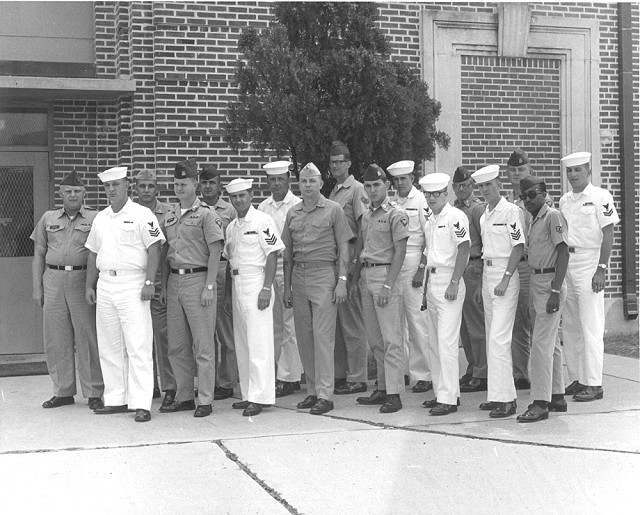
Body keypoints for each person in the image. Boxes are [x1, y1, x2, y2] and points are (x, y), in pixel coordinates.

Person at [85, 166, 165, 423]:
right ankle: (116, 398)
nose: (111, 190)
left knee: (138, 345)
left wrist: (150, 281)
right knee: (109, 345)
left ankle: (141, 403)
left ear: (126, 186)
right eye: (108, 186)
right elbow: (93, 253)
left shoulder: (143, 214)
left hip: (134, 283)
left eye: (116, 185)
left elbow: (155, 249)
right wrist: (90, 285)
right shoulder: (101, 218)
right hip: (106, 284)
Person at [282, 162, 353, 415]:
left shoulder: (334, 210)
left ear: (322, 183)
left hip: (324, 275)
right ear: (298, 185)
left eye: (312, 181)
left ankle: (325, 394)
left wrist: (342, 281)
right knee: (304, 336)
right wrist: (288, 287)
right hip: (299, 276)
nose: (308, 185)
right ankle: (311, 391)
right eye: (303, 181)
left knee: (323, 337)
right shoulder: (293, 213)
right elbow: (287, 253)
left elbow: (345, 246)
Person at [31, 171, 104, 410]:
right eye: (68, 191)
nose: (73, 195)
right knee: (56, 337)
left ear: (84, 193)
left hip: (82, 279)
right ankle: (63, 391)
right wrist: (37, 287)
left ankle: (94, 390)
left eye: (77, 191)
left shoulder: (95, 218)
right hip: (53, 279)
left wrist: (93, 285)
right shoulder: (48, 218)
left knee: (87, 336)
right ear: (60, 194)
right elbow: (39, 253)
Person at [159, 158, 224, 418]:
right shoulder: (170, 215)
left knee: (203, 344)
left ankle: (205, 399)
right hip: (175, 281)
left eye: (184, 183)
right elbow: (166, 253)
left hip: (199, 281)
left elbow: (216, 252)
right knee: (176, 344)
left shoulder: (208, 215)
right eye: (175, 184)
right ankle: (185, 395)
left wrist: (209, 285)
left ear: (195, 183)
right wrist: (164, 286)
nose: (179, 188)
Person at [559, 151, 619, 402]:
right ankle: (577, 378)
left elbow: (608, 235)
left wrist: (601, 269)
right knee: (570, 326)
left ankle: (594, 383)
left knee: (591, 326)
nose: (573, 175)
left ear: (588, 171)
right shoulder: (564, 201)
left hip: (589, 262)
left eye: (578, 170)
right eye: (569, 171)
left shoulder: (600, 197)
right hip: (569, 263)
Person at [224, 178, 284, 416]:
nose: (238, 200)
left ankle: (261, 396)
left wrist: (267, 288)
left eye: (243, 195)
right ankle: (249, 393)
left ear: (250, 195)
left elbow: (272, 254)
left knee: (259, 341)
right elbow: (230, 261)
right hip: (237, 282)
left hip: (257, 281)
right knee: (243, 342)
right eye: (234, 197)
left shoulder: (262, 220)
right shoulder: (231, 227)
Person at [353, 164, 409, 414]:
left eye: (377, 185)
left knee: (392, 339)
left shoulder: (396, 213)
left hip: (386, 275)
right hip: (366, 275)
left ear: (386, 185)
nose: (372, 190)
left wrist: (388, 284)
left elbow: (401, 252)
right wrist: (355, 280)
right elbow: (360, 249)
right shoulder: (366, 215)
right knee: (375, 339)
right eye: (368, 186)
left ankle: (395, 394)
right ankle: (383, 387)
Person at [471, 164, 525, 418]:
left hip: (505, 274)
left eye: (488, 185)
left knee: (499, 340)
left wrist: (505, 278)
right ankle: (497, 395)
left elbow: (518, 247)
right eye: (481, 187)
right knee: (492, 336)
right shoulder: (484, 215)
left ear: (498, 185)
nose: (485, 190)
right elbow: (485, 251)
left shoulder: (511, 211)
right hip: (488, 275)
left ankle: (508, 400)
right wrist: (484, 281)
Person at [516, 176, 569, 422]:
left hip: (549, 284)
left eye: (532, 194)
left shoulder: (552, 216)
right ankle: (557, 395)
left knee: (539, 345)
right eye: (523, 196)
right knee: (551, 345)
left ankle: (539, 402)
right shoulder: (534, 220)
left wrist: (556, 290)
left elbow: (563, 253)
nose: (527, 200)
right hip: (537, 281)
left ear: (544, 193)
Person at [419, 172, 470, 416]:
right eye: (427, 194)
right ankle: (443, 393)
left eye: (436, 194)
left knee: (447, 343)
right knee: (434, 343)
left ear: (445, 194)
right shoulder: (430, 220)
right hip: (433, 282)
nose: (431, 198)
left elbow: (464, 249)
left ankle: (449, 399)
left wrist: (454, 281)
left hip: (450, 281)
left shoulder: (455, 217)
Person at [258, 160, 304, 398]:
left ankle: (290, 377)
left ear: (288, 180)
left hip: (290, 271)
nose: (276, 184)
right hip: (269, 271)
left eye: (280, 179)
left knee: (290, 326)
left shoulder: (297, 205)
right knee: (274, 326)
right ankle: (279, 374)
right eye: (272, 180)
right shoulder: (263, 208)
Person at [387, 160, 432, 394]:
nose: (399, 183)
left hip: (414, 258)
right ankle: (401, 371)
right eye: (396, 179)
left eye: (403, 178)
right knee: (397, 322)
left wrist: (422, 268)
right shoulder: (392, 203)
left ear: (412, 179)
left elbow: (429, 235)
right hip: (395, 261)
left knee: (416, 321)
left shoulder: (421, 200)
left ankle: (423, 374)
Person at [328, 141, 369, 395]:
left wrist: (354, 265)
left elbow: (363, 230)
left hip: (351, 256)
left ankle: (359, 376)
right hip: (335, 259)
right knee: (340, 325)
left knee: (353, 323)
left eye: (340, 162)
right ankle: (342, 374)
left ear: (349, 163)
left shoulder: (356, 190)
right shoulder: (333, 192)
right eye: (332, 162)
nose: (335, 166)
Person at [134, 170, 176, 407]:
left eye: (151, 186)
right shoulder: (131, 212)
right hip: (135, 284)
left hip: (160, 283)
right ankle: (149, 386)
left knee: (162, 337)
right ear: (136, 189)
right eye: (142, 186)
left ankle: (170, 386)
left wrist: (164, 285)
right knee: (140, 339)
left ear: (157, 189)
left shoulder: (168, 214)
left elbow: (168, 249)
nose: (147, 190)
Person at [200, 164, 238, 401]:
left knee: (225, 330)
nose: (207, 187)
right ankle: (208, 381)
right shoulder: (195, 208)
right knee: (205, 331)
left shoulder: (230, 211)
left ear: (219, 186)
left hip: (223, 269)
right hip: (201, 271)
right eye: (203, 183)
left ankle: (226, 382)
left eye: (211, 183)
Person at [452, 166, 488, 393]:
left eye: (466, 185)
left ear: (472, 186)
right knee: (464, 326)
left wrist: (483, 273)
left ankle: (482, 372)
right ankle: (472, 367)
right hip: (458, 267)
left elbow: (486, 242)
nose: (462, 189)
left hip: (474, 266)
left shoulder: (477, 210)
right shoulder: (452, 210)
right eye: (457, 186)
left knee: (476, 325)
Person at [504, 149, 536, 390]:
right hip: (510, 266)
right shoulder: (504, 201)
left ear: (529, 170)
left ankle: (543, 376)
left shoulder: (536, 197)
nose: (517, 174)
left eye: (521, 169)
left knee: (534, 320)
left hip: (530, 265)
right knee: (515, 323)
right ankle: (521, 374)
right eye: (513, 170)